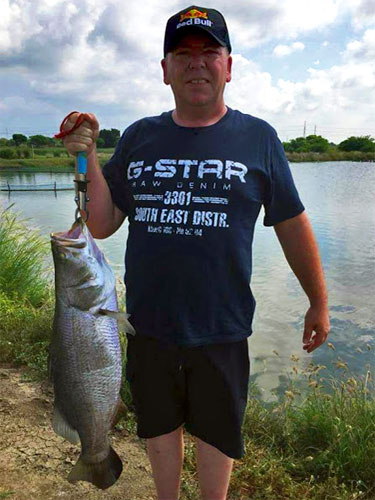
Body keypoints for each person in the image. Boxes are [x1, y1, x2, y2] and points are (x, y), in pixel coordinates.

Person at [61, 5, 330, 500]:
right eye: (182, 54)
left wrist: (318, 300)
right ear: (165, 69)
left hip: (221, 326)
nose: (196, 63)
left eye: (210, 51)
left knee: (216, 432)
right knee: (159, 428)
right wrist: (87, 155)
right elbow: (100, 223)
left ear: (229, 65)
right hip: (148, 324)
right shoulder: (140, 137)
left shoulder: (259, 138)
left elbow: (291, 223)